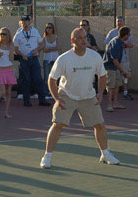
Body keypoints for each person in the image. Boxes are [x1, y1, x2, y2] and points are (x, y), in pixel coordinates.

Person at [40, 28, 119, 169]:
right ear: (73, 41)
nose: (84, 40)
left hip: (88, 96)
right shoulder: (64, 59)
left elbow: (102, 76)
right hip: (67, 95)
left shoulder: (94, 56)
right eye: (80, 38)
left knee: (100, 125)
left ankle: (105, 154)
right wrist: (57, 98)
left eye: (85, 37)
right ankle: (47, 156)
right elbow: (52, 80)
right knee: (57, 124)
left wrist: (100, 93)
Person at [13, 15, 50, 107]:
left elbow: (42, 44)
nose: (24, 22)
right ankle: (26, 100)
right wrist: (22, 54)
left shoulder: (35, 31)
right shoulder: (18, 34)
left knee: (38, 79)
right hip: (24, 60)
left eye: (26, 21)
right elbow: (15, 49)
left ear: (30, 22)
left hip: (34, 59)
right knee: (26, 80)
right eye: (23, 21)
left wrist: (36, 50)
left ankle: (42, 100)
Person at [104, 15, 135, 100]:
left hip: (124, 58)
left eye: (121, 21)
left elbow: (132, 44)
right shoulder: (113, 35)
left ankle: (124, 92)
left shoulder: (128, 33)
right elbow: (108, 46)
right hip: (114, 62)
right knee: (112, 81)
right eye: (118, 21)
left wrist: (126, 45)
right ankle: (110, 100)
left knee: (122, 78)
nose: (119, 23)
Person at [103, 26, 131, 112]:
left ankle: (115, 103)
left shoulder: (121, 42)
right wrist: (123, 71)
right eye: (128, 35)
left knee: (117, 84)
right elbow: (114, 60)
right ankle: (109, 105)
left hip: (116, 67)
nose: (129, 36)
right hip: (110, 67)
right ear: (125, 35)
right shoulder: (116, 43)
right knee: (110, 86)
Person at [42, 22, 60, 95]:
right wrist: (53, 48)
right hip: (47, 60)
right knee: (47, 76)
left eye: (50, 27)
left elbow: (58, 47)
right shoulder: (44, 38)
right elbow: (44, 50)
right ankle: (47, 92)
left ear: (52, 29)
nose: (48, 29)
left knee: (55, 76)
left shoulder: (56, 37)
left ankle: (56, 92)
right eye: (47, 28)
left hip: (55, 59)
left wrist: (49, 48)